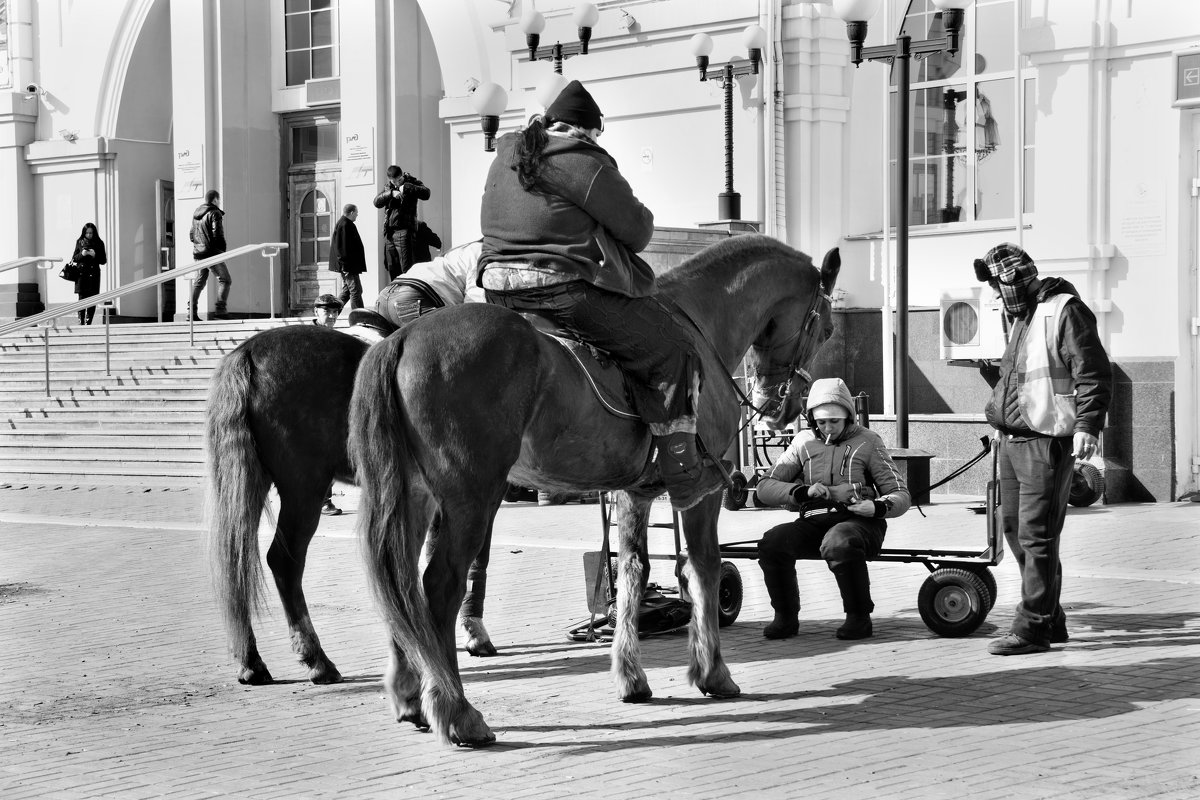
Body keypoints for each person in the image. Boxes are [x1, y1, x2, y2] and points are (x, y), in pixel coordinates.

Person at [478, 79, 722, 510]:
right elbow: (638, 230)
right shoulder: (582, 162)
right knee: (671, 350)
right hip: (559, 287)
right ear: (585, 130)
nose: (596, 140)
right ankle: (683, 475)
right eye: (597, 133)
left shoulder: (507, 156)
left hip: (496, 289)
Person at [973, 243, 1112, 655]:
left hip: (1046, 441)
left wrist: (1088, 425)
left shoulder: (1064, 310)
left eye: (999, 285)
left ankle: (1032, 628)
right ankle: (1052, 619)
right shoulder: (1020, 316)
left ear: (1014, 279)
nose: (996, 295)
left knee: (1038, 537)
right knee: (1016, 532)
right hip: (1014, 439)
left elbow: (1093, 371)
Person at [754, 378, 911, 641]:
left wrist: (877, 507)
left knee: (838, 542)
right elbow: (764, 486)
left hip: (860, 524)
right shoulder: (803, 442)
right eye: (821, 422)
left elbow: (900, 493)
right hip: (813, 522)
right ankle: (785, 616)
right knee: (773, 541)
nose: (827, 427)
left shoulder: (869, 441)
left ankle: (858, 617)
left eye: (834, 421)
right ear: (812, 419)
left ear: (848, 417)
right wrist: (802, 492)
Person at [374, 239, 485, 327]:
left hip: (384, 298)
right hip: (414, 299)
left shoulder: (460, 249)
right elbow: (474, 304)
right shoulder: (482, 252)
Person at [312, 293, 346, 516]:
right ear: (316, 312)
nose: (332, 315)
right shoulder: (309, 337)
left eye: (334, 311)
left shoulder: (337, 337)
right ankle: (320, 501)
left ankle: (323, 500)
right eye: (327, 311)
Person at [373, 164, 431, 280]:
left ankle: (407, 292)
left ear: (402, 175)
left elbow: (426, 193)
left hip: (404, 230)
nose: (396, 183)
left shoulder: (411, 182)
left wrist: (407, 187)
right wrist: (390, 194)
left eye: (399, 180)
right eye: (393, 181)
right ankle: (396, 294)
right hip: (389, 233)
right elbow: (376, 202)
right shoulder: (389, 187)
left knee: (406, 267)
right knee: (392, 267)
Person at [189, 189, 230, 321]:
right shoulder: (215, 213)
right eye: (219, 199)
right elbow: (217, 234)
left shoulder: (196, 214)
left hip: (198, 254)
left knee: (199, 283)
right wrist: (223, 251)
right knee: (225, 279)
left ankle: (191, 313)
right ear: (215, 200)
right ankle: (220, 310)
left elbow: (191, 235)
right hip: (212, 253)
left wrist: (198, 246)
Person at [328, 204, 366, 310]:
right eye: (356, 212)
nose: (357, 215)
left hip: (350, 266)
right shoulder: (344, 224)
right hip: (348, 266)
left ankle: (332, 310)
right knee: (356, 291)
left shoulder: (345, 223)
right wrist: (345, 266)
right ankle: (359, 317)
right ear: (352, 212)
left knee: (348, 291)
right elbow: (341, 248)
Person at [71, 222, 107, 325]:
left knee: (93, 298)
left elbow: (103, 260)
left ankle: (88, 322)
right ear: (84, 233)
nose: (89, 235)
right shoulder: (79, 242)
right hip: (81, 275)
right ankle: (81, 321)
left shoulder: (99, 243)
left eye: (91, 233)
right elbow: (74, 258)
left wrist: (94, 255)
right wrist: (82, 254)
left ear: (94, 233)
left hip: (94, 274)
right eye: (87, 233)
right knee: (82, 298)